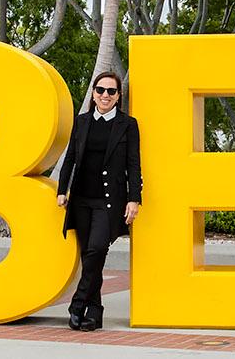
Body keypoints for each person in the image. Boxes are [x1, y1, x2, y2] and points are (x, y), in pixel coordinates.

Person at [55, 71, 141, 332]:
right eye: (101, 90)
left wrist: (133, 199)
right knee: (90, 257)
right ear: (93, 93)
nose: (105, 95)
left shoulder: (128, 124)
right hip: (80, 199)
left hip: (108, 203)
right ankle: (95, 313)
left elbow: (133, 164)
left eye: (111, 92)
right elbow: (70, 158)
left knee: (96, 250)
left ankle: (77, 304)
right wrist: (62, 189)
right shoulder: (81, 122)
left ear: (118, 97)